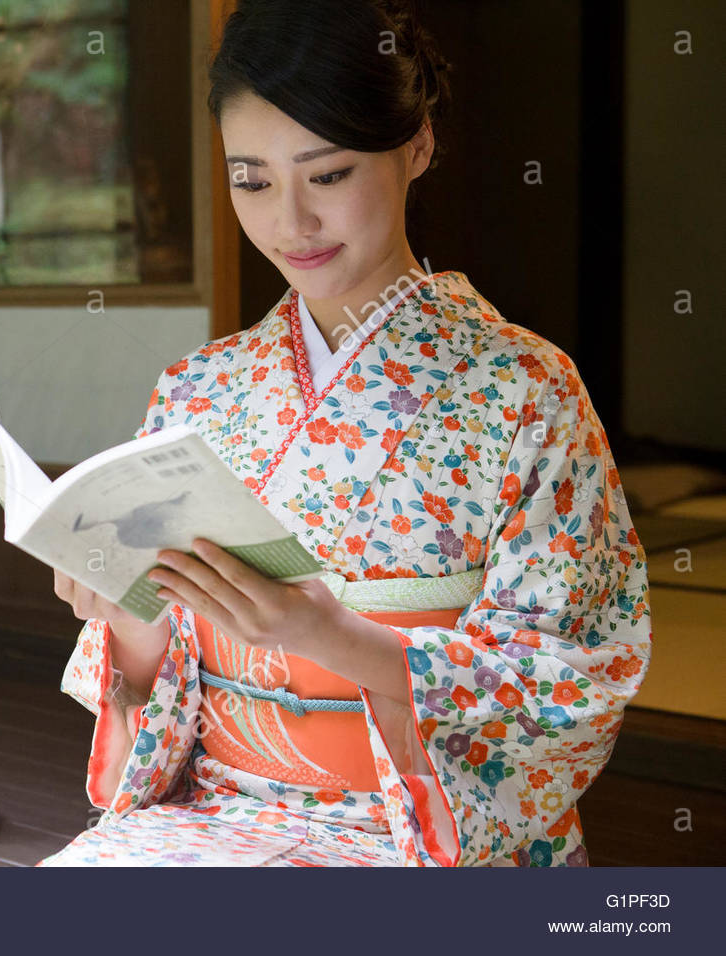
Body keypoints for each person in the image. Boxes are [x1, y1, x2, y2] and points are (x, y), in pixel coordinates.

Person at [38, 0, 651, 866]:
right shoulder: (196, 388)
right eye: (252, 179)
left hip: (425, 832)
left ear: (418, 147)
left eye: (326, 175)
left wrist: (332, 637)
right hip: (216, 810)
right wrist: (128, 617)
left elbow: (573, 678)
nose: (291, 222)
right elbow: (153, 676)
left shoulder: (527, 389)